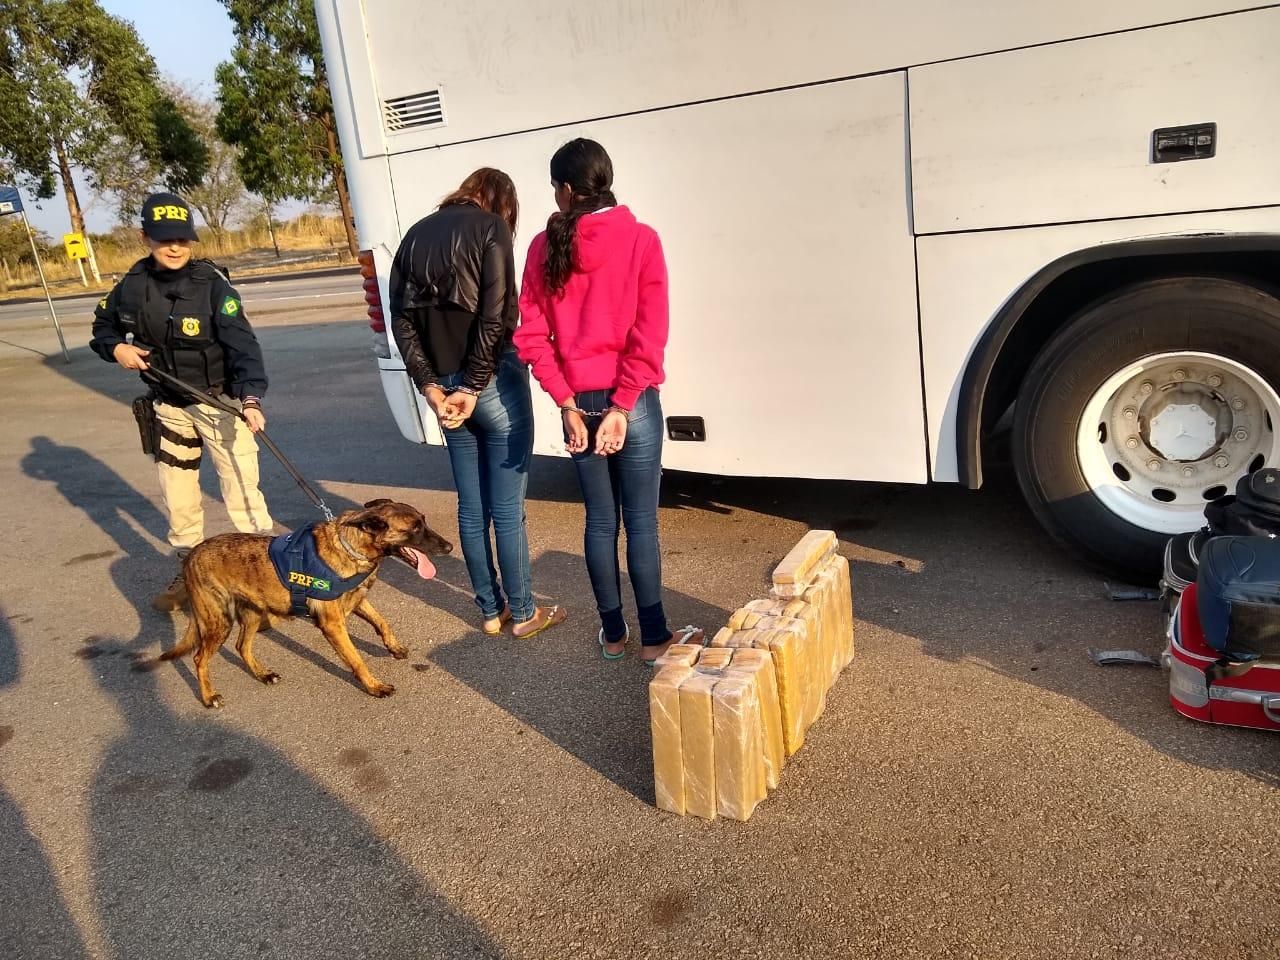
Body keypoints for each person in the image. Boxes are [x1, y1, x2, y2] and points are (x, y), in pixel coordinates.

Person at [515, 139, 702, 663]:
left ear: (568, 190)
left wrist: (568, 403)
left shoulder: (540, 247)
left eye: (555, 187)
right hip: (632, 402)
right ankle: (655, 637)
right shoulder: (642, 240)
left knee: (600, 520)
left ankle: (614, 635)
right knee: (640, 521)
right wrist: (621, 406)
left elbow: (531, 337)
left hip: (579, 401)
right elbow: (650, 333)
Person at [389, 168, 566, 639]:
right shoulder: (491, 230)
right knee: (506, 509)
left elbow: (401, 322)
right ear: (502, 203)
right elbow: (497, 316)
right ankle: (525, 612)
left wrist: (432, 387)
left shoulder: (413, 237)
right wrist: (473, 385)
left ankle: (491, 610)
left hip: (445, 391)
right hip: (489, 383)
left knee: (471, 507)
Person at [90, 192, 274, 611]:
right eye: (163, 239)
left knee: (244, 493)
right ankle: (190, 573)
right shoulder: (131, 287)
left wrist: (251, 399)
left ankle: (262, 580)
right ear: (145, 237)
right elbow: (101, 328)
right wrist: (116, 348)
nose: (174, 247)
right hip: (169, 407)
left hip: (220, 405)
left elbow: (245, 347)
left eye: (182, 239)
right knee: (179, 498)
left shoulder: (213, 286)